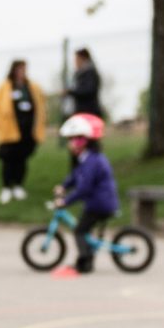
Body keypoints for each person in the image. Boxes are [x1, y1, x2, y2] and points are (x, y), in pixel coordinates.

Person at [50, 112, 119, 273]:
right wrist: (63, 186)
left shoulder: (92, 161)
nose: (71, 144)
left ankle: (85, 263)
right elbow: (75, 176)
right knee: (84, 230)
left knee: (79, 230)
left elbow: (84, 188)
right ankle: (88, 258)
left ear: (83, 141)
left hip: (100, 204)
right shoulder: (87, 158)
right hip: (97, 202)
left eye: (74, 139)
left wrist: (65, 201)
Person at [0, 57, 43, 204]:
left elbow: (41, 104)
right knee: (8, 160)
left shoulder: (31, 87)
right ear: (13, 70)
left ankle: (18, 185)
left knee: (22, 159)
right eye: (19, 69)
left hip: (26, 131)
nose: (22, 72)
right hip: (9, 131)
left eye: (24, 69)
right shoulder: (5, 87)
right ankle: (6, 187)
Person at [67, 47, 103, 119]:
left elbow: (88, 90)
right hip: (83, 112)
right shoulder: (80, 74)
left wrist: (70, 91)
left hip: (89, 113)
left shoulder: (90, 73)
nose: (75, 62)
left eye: (77, 59)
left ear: (83, 59)